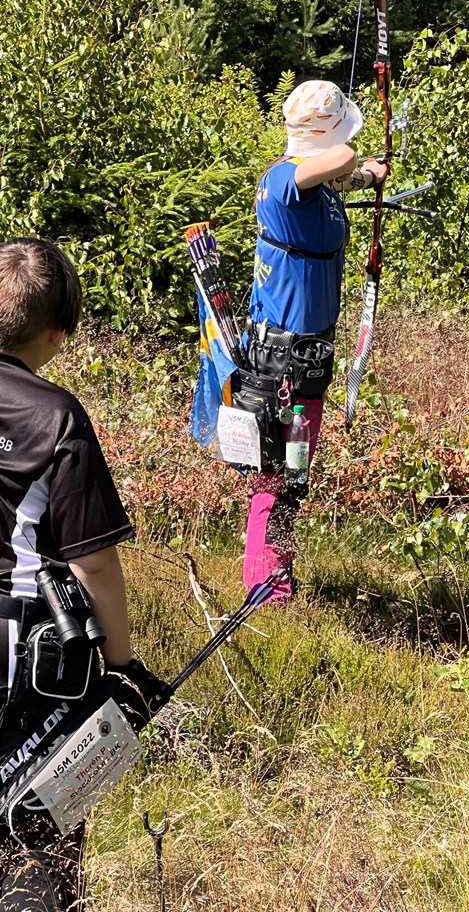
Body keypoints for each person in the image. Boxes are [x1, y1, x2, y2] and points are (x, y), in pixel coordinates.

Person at [0, 238, 163, 910]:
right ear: (58, 332)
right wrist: (123, 669)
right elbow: (92, 560)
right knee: (36, 824)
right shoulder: (56, 415)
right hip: (21, 650)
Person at [242, 79, 388, 602]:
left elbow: (339, 173)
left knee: (294, 473)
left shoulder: (314, 187)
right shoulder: (285, 178)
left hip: (306, 356)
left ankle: (276, 574)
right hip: (282, 358)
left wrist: (367, 175)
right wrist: (352, 159)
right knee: (276, 476)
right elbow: (337, 159)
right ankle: (265, 584)